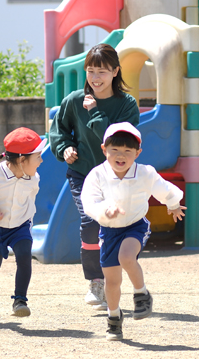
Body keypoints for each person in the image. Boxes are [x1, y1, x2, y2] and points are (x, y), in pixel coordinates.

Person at [49, 43, 140, 309]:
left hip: (118, 177)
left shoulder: (127, 104)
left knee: (116, 229)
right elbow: (59, 131)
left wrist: (95, 112)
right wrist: (64, 148)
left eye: (101, 71)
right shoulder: (74, 100)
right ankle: (95, 282)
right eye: (90, 71)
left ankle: (116, 280)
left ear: (115, 72)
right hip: (83, 175)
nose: (95, 78)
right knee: (91, 222)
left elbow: (117, 138)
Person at [81, 122, 185, 340]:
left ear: (138, 153)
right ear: (104, 150)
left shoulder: (145, 173)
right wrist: (104, 210)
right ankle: (114, 317)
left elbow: (162, 188)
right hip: (109, 230)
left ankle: (141, 294)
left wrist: (173, 203)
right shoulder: (97, 174)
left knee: (127, 257)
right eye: (115, 150)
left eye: (128, 151)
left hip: (135, 225)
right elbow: (89, 200)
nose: (121, 156)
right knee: (112, 282)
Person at [0, 127, 46, 317]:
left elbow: (31, 198)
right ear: (21, 160)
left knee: (24, 256)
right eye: (38, 157)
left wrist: (27, 216)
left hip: (21, 226)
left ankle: (20, 300)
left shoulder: (33, 178)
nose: (41, 161)